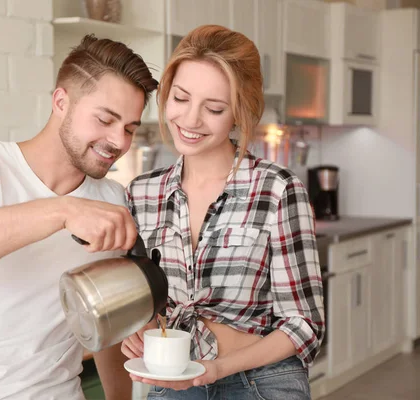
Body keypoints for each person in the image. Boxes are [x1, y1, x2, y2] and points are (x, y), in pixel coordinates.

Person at [0, 34, 158, 400]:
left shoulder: (112, 201)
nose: (118, 140)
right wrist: (64, 210)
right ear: (60, 102)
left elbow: (105, 322)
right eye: (105, 119)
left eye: (130, 128)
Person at [121, 25, 324, 399]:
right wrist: (135, 330)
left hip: (260, 380)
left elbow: (304, 324)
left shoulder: (277, 189)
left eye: (214, 108)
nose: (191, 120)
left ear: (238, 113)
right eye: (180, 98)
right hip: (174, 380)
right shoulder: (142, 193)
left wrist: (217, 369)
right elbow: (142, 298)